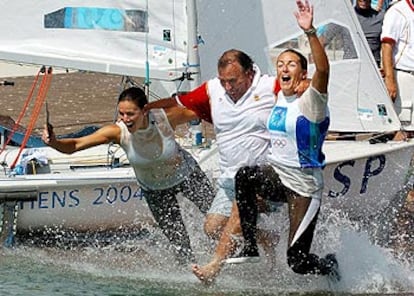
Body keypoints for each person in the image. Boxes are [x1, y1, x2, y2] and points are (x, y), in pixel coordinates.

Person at [42, 86, 215, 264]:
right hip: (155, 190)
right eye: (122, 113)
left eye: (131, 114)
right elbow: (75, 145)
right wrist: (54, 142)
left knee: (219, 220)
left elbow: (208, 110)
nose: (125, 119)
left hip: (187, 175)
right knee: (180, 244)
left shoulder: (165, 117)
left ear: (144, 110)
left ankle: (233, 255)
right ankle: (192, 273)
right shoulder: (117, 132)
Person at [232, 0, 338, 280]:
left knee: (298, 262)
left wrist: (311, 32)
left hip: (304, 186)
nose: (284, 67)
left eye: (291, 63)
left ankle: (331, 266)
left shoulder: (312, 101)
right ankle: (249, 246)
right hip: (278, 175)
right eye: (281, 64)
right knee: (245, 176)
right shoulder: (282, 94)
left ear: (303, 73)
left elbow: (324, 71)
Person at [381, 0, 414, 134]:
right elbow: (386, 45)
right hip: (404, 76)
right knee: (405, 128)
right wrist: (390, 80)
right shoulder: (398, 11)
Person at [355, 0, 385, 67]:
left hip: (373, 66)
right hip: (352, 64)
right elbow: (327, 37)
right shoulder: (347, 17)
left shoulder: (381, 17)